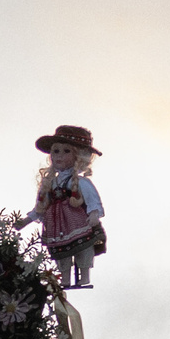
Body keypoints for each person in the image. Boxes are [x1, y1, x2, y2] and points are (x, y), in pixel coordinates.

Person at [17, 123, 106, 288]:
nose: (59, 156)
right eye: (56, 151)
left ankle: (84, 275)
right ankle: (65, 278)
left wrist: (94, 214)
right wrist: (26, 220)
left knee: (83, 248)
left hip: (77, 222)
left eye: (66, 151)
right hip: (56, 226)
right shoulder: (49, 183)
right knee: (61, 252)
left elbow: (92, 200)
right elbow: (40, 207)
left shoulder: (80, 182)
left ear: (78, 156)